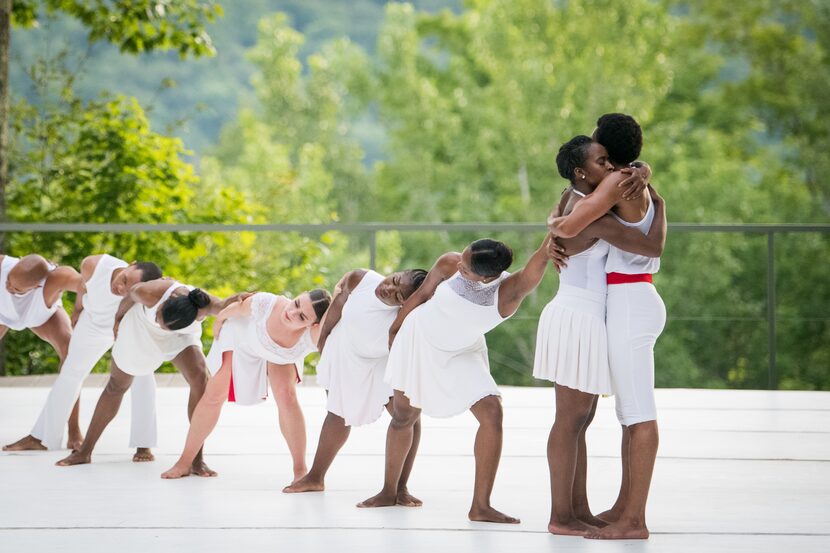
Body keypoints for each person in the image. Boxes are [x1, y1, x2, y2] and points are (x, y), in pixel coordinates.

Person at [358, 236, 553, 524]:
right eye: (462, 256)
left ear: (489, 275)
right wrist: (395, 328)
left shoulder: (509, 292)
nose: (458, 263)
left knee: (492, 411)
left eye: (466, 265)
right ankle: (390, 491)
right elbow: (422, 294)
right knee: (404, 417)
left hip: (462, 352)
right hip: (419, 340)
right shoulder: (451, 262)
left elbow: (540, 259)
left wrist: (554, 239)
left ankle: (481, 506)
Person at [535, 134, 665, 536]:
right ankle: (562, 516)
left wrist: (649, 184)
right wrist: (658, 204)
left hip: (586, 315)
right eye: (602, 161)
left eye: (610, 160)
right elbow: (651, 245)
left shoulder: (570, 198)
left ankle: (577, 510)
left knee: (580, 420)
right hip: (578, 316)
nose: (611, 169)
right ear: (581, 172)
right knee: (570, 420)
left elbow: (565, 223)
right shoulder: (594, 217)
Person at [56, 279, 247, 474]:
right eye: (159, 317)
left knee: (201, 379)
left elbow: (225, 305)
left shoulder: (203, 305)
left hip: (178, 337)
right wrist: (118, 321)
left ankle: (195, 460)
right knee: (117, 385)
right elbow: (130, 293)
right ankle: (85, 451)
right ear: (164, 303)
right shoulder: (150, 292)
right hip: (139, 330)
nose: (160, 322)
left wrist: (243, 298)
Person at [283, 268, 427, 500]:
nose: (389, 289)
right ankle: (315, 477)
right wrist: (324, 339)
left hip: (378, 362)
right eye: (394, 280)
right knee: (337, 413)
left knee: (408, 416)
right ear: (396, 272)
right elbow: (337, 306)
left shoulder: (406, 320)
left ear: (407, 303)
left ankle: (400, 488)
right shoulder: (362, 279)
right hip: (345, 351)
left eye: (399, 296)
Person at [160, 289, 331, 483]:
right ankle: (184, 462)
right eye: (297, 303)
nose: (291, 313)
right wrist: (218, 323)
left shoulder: (315, 335)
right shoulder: (265, 303)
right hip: (243, 335)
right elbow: (228, 312)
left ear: (313, 324)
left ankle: (300, 470)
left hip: (281, 354)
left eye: (301, 316)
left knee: (287, 397)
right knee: (214, 394)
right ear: (300, 294)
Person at [3, 255, 162, 461]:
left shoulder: (146, 293)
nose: (120, 288)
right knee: (70, 371)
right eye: (123, 279)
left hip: (128, 326)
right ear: (129, 265)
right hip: (93, 323)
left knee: (143, 376)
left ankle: (144, 444)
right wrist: (78, 309)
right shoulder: (93, 265)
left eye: (128, 288)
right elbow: (84, 286)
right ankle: (41, 437)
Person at [1, 254, 82, 449]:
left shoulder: (55, 278)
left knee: (72, 353)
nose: (9, 287)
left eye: (16, 288)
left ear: (37, 285)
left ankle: (74, 430)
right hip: (3, 312)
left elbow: (85, 284)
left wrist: (78, 310)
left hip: (40, 314)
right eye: (8, 281)